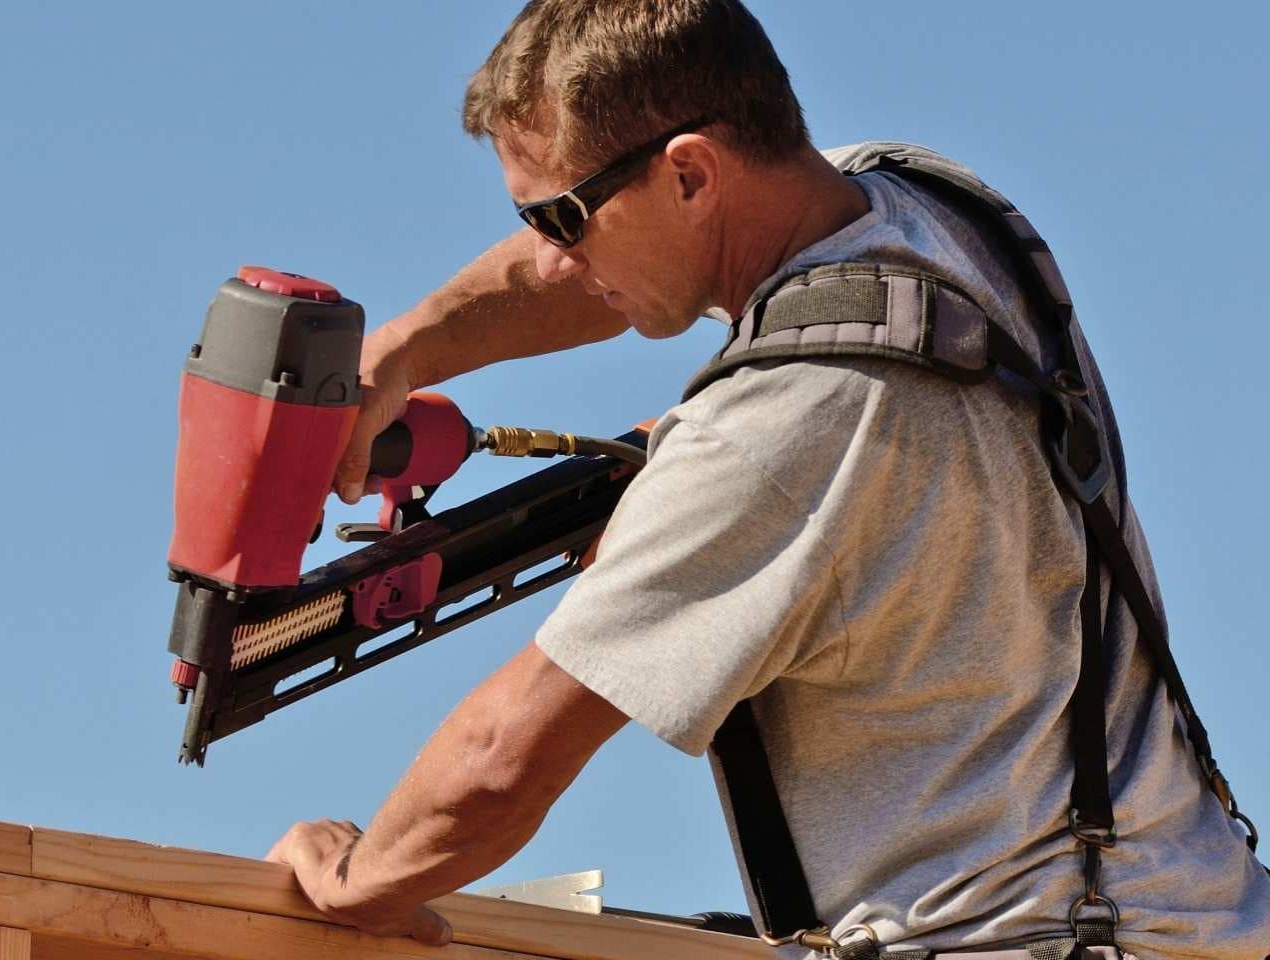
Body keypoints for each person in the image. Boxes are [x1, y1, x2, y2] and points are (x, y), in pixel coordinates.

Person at [266, 2, 1270, 957]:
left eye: (564, 219)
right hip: (1191, 916)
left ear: (693, 176)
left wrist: (356, 878)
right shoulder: (929, 208)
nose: (552, 258)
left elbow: (499, 764)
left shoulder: (780, 422)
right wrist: (401, 352)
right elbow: (602, 280)